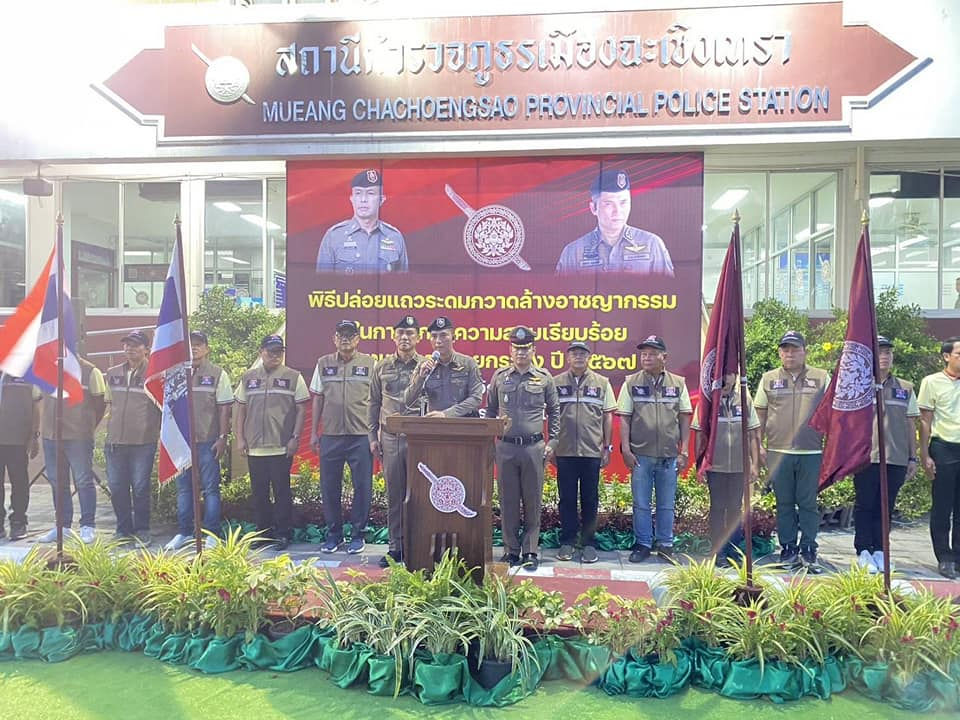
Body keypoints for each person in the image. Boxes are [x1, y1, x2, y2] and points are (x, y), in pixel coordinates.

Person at [753, 330, 830, 568]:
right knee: (784, 503)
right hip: (778, 452)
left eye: (795, 349)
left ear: (805, 352)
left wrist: (832, 448)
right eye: (785, 349)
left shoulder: (822, 377)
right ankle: (788, 548)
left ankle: (808, 547)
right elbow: (759, 416)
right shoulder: (768, 378)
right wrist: (759, 447)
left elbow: (834, 415)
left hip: (811, 452)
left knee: (808, 503)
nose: (790, 354)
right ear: (779, 353)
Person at [487, 326, 560, 571]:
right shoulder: (500, 377)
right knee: (507, 501)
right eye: (517, 348)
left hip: (533, 448)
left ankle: (530, 551)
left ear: (533, 350)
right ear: (510, 350)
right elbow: (490, 410)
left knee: (532, 500)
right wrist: (489, 441)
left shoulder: (544, 378)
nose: (521, 352)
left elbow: (555, 411)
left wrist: (553, 441)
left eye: (526, 348)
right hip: (505, 448)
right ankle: (511, 550)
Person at [617, 335, 692, 563]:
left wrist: (684, 451)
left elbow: (684, 417)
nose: (646, 358)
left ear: (664, 357)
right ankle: (643, 544)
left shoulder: (678, 383)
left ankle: (665, 544)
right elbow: (624, 418)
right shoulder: (631, 382)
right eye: (644, 354)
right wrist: (625, 449)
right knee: (641, 503)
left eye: (652, 354)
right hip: (640, 455)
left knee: (666, 504)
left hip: (669, 455)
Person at [852, 336, 919, 574]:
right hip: (866, 456)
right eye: (880, 352)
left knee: (886, 506)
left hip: (895, 457)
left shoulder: (905, 388)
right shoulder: (859, 385)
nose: (884, 357)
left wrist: (913, 457)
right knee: (865, 504)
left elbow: (911, 424)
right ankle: (863, 550)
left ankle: (881, 549)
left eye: (888, 353)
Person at [235, 335, 308, 550]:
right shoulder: (248, 377)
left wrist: (295, 437)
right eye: (271, 351)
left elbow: (301, 409)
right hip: (254, 446)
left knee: (282, 492)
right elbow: (240, 409)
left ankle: (283, 534)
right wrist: (240, 438)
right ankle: (263, 534)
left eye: (279, 352)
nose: (275, 355)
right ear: (261, 352)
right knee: (259, 494)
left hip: (281, 445)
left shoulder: (293, 376)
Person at [310, 320, 376, 555]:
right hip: (331, 435)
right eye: (341, 335)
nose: (345, 339)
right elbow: (317, 398)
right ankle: (334, 534)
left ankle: (358, 535)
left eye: (350, 335)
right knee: (329, 487)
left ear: (358, 339)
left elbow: (376, 400)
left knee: (362, 486)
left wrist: (375, 432)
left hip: (361, 435)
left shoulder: (370, 364)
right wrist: (314, 433)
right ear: (334, 339)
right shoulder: (323, 363)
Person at [164, 331, 234, 552]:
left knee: (211, 489)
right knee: (184, 489)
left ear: (207, 348)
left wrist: (222, 437)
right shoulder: (175, 374)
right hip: (181, 442)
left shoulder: (217, 374)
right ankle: (185, 532)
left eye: (198, 344)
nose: (194, 348)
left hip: (207, 440)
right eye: (190, 344)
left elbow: (224, 409)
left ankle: (212, 533)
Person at [551, 341, 616, 564]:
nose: (578, 357)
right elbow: (549, 416)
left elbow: (608, 416)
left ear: (589, 357)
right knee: (566, 499)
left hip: (591, 451)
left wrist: (607, 447)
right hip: (565, 450)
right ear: (567, 358)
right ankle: (568, 542)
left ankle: (588, 543)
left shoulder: (602, 383)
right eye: (574, 353)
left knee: (590, 499)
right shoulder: (555, 382)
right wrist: (552, 445)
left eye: (582, 353)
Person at [369, 315, 423, 568]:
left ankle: (418, 545)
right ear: (393, 337)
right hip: (390, 439)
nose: (405, 337)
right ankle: (396, 546)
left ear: (418, 337)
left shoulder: (427, 366)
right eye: (400, 333)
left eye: (410, 333)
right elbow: (374, 403)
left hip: (419, 439)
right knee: (395, 494)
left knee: (419, 493)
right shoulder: (382, 367)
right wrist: (372, 436)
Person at [691, 373, 760, 563]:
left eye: (729, 374)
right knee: (718, 508)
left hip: (739, 466)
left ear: (735, 376)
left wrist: (754, 464)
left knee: (735, 509)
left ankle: (734, 549)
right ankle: (718, 550)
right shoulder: (707, 403)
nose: (725, 379)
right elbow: (699, 436)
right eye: (722, 374)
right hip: (715, 466)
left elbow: (752, 434)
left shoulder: (744, 400)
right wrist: (700, 465)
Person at [38, 357, 106, 544]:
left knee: (83, 481)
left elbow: (100, 404)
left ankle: (87, 525)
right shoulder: (45, 369)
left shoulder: (90, 371)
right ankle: (62, 526)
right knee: (57, 482)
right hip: (51, 436)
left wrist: (87, 426)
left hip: (78, 437)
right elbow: (38, 398)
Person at [556, 169, 674, 276]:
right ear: (593, 208)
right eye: (608, 204)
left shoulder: (652, 244)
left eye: (623, 202)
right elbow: (561, 292)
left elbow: (668, 290)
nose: (618, 211)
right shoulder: (573, 252)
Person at [104, 330, 160, 544]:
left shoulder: (155, 375)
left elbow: (163, 407)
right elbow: (109, 404)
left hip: (142, 442)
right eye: (127, 344)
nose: (130, 348)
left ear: (146, 349)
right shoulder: (113, 372)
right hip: (115, 442)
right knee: (117, 487)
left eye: (135, 345)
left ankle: (143, 529)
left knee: (140, 487)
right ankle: (123, 530)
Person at [917, 335, 960, 579]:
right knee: (943, 505)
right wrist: (925, 454)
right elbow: (925, 421)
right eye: (959, 354)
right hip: (944, 447)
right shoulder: (931, 382)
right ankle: (945, 557)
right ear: (946, 356)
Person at [315, 169, 409, 274]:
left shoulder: (394, 237)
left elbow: (403, 282)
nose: (363, 199)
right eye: (358, 193)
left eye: (370, 193)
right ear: (352, 199)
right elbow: (322, 281)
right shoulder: (334, 236)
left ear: (381, 200)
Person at [403, 316, 484, 417]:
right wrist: (420, 377)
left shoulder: (468, 364)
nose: (438, 341)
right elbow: (408, 401)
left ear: (453, 338)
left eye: (443, 335)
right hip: (434, 423)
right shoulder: (424, 365)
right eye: (434, 336)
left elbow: (476, 398)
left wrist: (446, 414)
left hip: (463, 423)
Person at [0, 372, 40, 540]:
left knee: (19, 482)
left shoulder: (26, 375)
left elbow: (35, 406)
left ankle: (18, 521)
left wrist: (34, 436)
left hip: (17, 439)